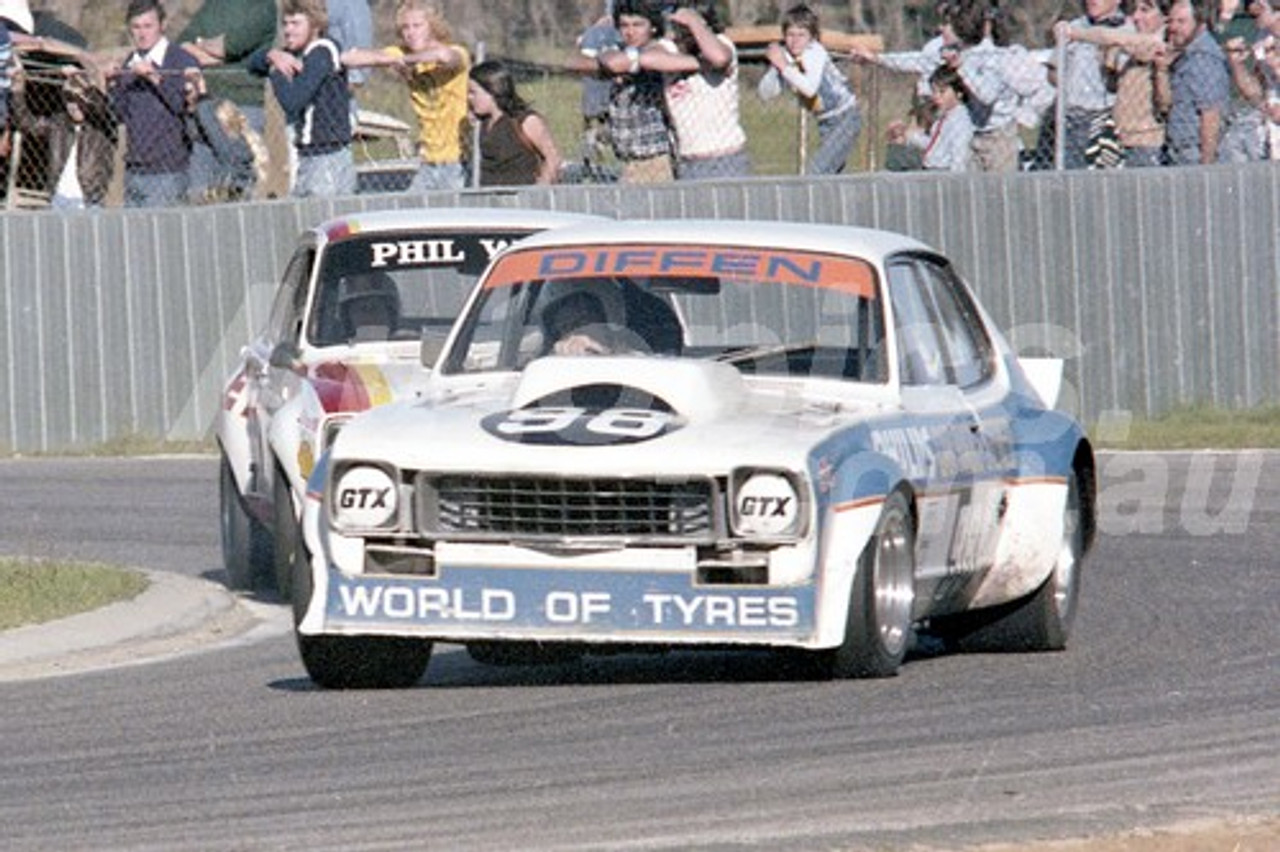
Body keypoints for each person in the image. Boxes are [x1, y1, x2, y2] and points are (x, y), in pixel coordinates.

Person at [598, 1, 749, 179]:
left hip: (724, 156)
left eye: (687, 27)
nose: (684, 33)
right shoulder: (672, 49)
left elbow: (719, 58)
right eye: (679, 26)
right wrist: (698, 65)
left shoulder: (722, 43)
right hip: (686, 160)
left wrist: (694, 23)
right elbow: (632, 60)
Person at [341, 1, 469, 192]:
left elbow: (445, 56)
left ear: (432, 26)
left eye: (417, 26)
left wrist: (405, 60)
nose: (411, 33)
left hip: (458, 158)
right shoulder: (399, 53)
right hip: (428, 160)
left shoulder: (458, 53)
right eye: (405, 28)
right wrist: (389, 59)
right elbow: (349, 58)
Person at [250, 0, 356, 197]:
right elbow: (253, 65)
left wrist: (276, 72)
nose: (288, 30)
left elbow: (293, 100)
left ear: (315, 24)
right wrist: (271, 54)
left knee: (320, 219)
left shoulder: (322, 51)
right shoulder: (294, 53)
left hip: (327, 157)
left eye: (295, 24)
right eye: (285, 24)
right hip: (307, 156)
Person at [107, 0, 202, 207]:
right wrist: (112, 83)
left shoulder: (180, 60)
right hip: (134, 169)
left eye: (148, 26)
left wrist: (155, 78)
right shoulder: (130, 62)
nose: (142, 33)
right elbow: (119, 114)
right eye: (136, 27)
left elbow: (183, 107)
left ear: (162, 25)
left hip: (168, 170)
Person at [1062, 0, 1172, 168]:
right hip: (1121, 138)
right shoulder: (1135, 46)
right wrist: (1110, 61)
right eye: (1135, 10)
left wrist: (1073, 33)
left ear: (1165, 17)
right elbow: (1114, 86)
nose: (1136, 17)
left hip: (1145, 141)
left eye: (1145, 10)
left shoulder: (1159, 43)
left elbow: (1107, 36)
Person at [757, 3, 861, 175]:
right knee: (832, 176)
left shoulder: (815, 52)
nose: (795, 40)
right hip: (825, 123)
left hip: (845, 117)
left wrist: (783, 66)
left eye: (801, 34)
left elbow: (810, 89)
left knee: (816, 173)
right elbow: (765, 93)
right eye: (790, 34)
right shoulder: (787, 58)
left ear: (812, 37)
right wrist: (775, 66)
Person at [596, 0, 674, 183]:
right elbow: (608, 59)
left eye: (638, 25)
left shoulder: (660, 50)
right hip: (627, 158)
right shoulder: (619, 51)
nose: (630, 32)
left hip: (655, 158)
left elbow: (652, 57)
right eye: (624, 25)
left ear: (653, 27)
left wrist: (627, 63)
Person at [1051, 0, 1130, 169]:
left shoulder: (1127, 29)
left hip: (1106, 120)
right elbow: (1053, 72)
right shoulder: (1072, 27)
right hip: (1071, 119)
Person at [467, 59, 561, 186]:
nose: (469, 97)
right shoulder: (483, 121)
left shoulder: (526, 121)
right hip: (491, 200)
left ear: (492, 91)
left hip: (521, 200)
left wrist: (539, 191)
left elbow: (553, 158)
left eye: (473, 92)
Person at [1164, 0, 1231, 164]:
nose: (1173, 27)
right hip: (1178, 149)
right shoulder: (1185, 55)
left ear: (1200, 23)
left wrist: (1205, 165)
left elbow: (1211, 114)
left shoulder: (1204, 58)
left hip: (1195, 151)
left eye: (1181, 21)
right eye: (1171, 21)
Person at [889, 64, 974, 171]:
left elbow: (959, 157)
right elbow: (934, 145)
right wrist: (909, 135)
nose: (936, 96)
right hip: (931, 168)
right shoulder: (944, 116)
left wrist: (954, 182)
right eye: (934, 91)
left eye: (942, 92)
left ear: (959, 93)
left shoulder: (960, 121)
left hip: (944, 172)